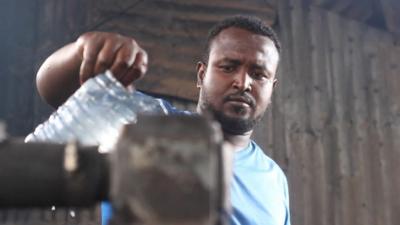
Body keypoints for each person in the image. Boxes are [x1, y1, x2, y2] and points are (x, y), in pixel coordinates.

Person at [36, 15, 290, 225]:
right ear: (201, 75)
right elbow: (53, 88)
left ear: (272, 88)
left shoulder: (275, 179)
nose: (243, 83)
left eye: (259, 74)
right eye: (228, 67)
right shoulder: (146, 125)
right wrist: (83, 51)